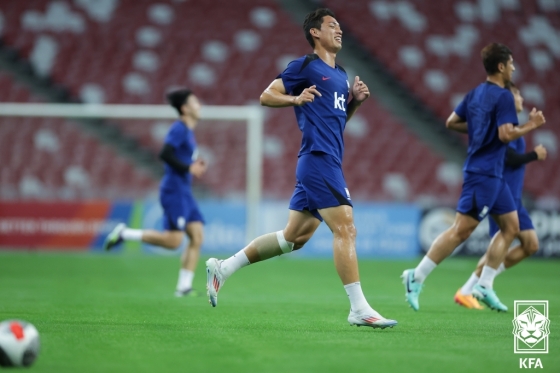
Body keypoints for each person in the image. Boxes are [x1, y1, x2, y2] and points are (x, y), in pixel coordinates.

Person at [205, 8, 397, 329]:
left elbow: (335, 124)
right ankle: (358, 308)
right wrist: (295, 100)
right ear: (315, 34)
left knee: (294, 237)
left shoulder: (341, 74)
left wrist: (355, 103)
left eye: (340, 26)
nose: (339, 31)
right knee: (346, 227)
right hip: (318, 158)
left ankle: (224, 268)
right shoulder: (305, 66)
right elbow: (267, 96)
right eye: (332, 26)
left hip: (327, 158)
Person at [402, 43, 546, 312]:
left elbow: (451, 122)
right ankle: (416, 276)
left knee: (511, 227)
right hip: (483, 172)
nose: (514, 68)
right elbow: (505, 135)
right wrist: (531, 125)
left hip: (493, 174)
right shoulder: (503, 96)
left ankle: (484, 284)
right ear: (501, 66)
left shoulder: (475, 93)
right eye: (512, 63)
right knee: (461, 230)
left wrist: (481, 127)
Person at [103, 89, 207, 297]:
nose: (199, 105)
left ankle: (183, 287)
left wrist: (193, 165)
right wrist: (188, 168)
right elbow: (164, 153)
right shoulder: (179, 128)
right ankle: (125, 233)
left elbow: (178, 157)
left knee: (196, 236)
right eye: (195, 102)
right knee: (173, 242)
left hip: (184, 191)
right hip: (174, 190)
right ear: (185, 108)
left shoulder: (188, 130)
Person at [452, 83, 547, 309]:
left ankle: (480, 284)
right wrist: (534, 154)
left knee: (531, 245)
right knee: (507, 243)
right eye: (517, 95)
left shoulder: (513, 126)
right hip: (502, 195)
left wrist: (528, 126)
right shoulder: (504, 126)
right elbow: (508, 158)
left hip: (513, 196)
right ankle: (471, 289)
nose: (521, 99)